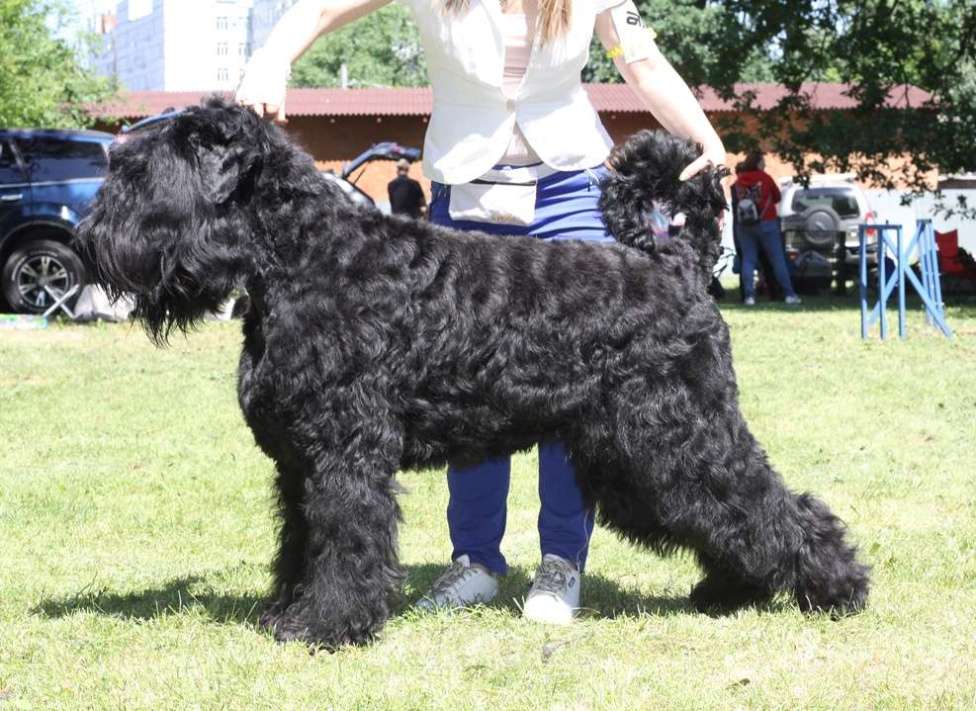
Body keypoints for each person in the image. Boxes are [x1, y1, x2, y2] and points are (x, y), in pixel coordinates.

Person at [237, 0, 726, 625]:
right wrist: (271, 59)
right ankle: (475, 560)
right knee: (465, 384)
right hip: (469, 186)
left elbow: (643, 61)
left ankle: (561, 562)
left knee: (578, 386)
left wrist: (710, 146)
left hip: (568, 186)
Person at [731, 152, 801, 305]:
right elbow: (777, 197)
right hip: (767, 223)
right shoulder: (765, 178)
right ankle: (789, 294)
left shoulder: (740, 180)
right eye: (763, 161)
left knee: (748, 260)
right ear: (758, 163)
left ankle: (749, 297)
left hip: (745, 225)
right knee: (777, 259)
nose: (765, 164)